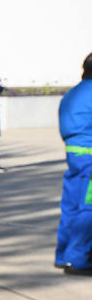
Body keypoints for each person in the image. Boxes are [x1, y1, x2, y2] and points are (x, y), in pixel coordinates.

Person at [55, 51, 92, 275]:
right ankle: (78, 259)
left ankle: (63, 255)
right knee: (89, 207)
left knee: (71, 205)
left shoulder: (72, 93)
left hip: (75, 155)